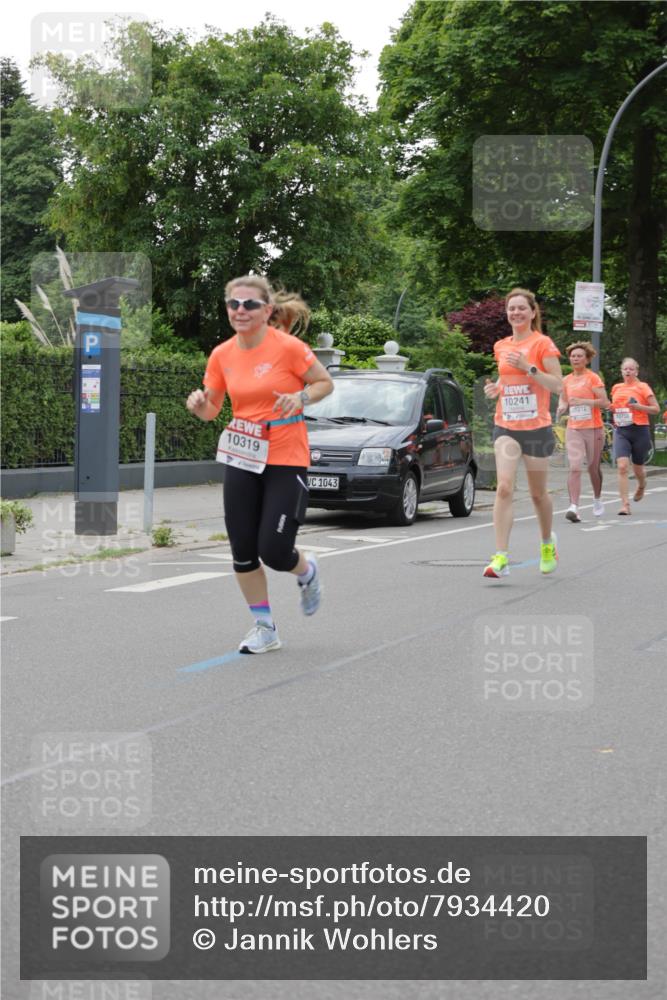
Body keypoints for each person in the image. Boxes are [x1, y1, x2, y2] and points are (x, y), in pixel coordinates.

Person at [186, 276, 334, 653]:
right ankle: (265, 627)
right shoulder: (221, 354)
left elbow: (324, 383)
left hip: (285, 456)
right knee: (242, 549)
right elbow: (214, 408)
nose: (241, 311)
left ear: (267, 311)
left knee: (274, 549)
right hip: (242, 455)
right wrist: (202, 407)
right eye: (234, 304)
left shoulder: (288, 347)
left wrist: (300, 398)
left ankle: (306, 571)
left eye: (250, 305)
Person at [483, 287, 563, 578]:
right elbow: (508, 382)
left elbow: (557, 385)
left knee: (538, 494)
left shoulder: (543, 344)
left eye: (521, 308)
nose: (515, 313)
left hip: (536, 428)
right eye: (511, 309)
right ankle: (500, 557)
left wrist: (529, 368)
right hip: (506, 424)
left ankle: (546, 544)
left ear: (532, 312)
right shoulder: (501, 346)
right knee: (504, 487)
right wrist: (497, 390)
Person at [556, 341, 610, 522]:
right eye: (573, 356)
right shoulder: (566, 380)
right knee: (575, 467)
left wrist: (584, 402)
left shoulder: (592, 378)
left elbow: (605, 402)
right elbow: (564, 400)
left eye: (579, 356)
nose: (575, 359)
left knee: (593, 468)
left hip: (594, 429)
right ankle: (574, 507)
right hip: (574, 429)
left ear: (586, 359)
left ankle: (597, 499)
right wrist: (562, 408)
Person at [609, 357, 659, 515]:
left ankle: (642, 485)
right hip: (622, 431)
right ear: (622, 371)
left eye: (631, 369)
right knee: (622, 467)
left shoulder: (643, 387)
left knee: (638, 469)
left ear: (636, 371)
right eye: (625, 369)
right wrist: (609, 407)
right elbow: (615, 407)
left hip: (639, 430)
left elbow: (656, 409)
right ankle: (625, 505)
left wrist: (638, 406)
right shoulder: (616, 388)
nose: (628, 371)